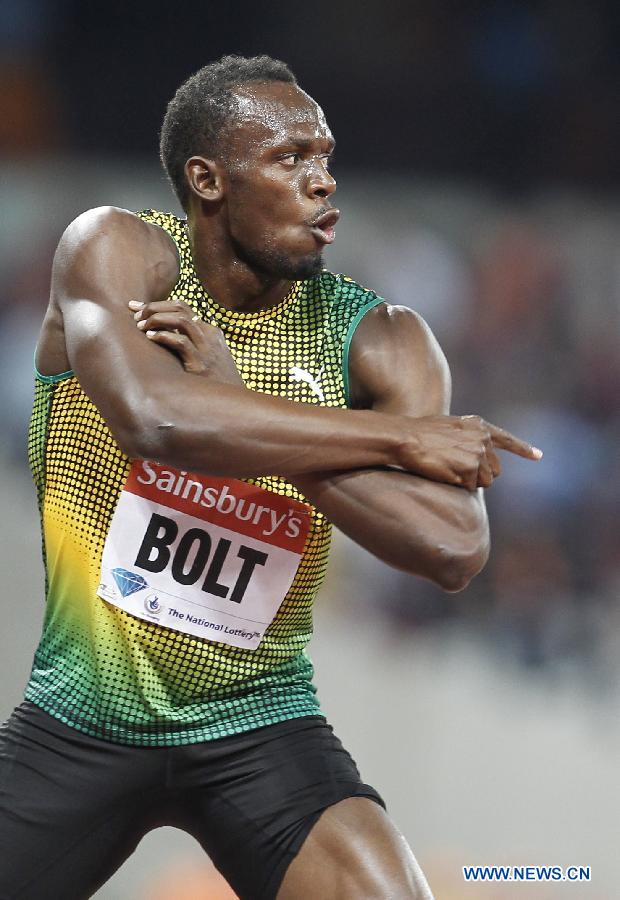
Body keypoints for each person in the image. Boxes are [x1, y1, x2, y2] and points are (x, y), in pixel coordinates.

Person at [0, 55, 542, 900]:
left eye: (325, 157)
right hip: (81, 714)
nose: (323, 182)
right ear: (207, 179)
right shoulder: (120, 251)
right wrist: (395, 441)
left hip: (260, 722)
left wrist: (238, 402)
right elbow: (157, 419)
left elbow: (452, 547)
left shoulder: (383, 339)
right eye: (291, 160)